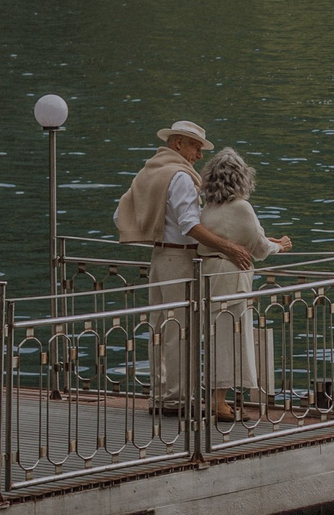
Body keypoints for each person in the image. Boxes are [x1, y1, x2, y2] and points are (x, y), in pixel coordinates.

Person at [112, 120, 259, 407]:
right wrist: (231, 248)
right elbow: (190, 225)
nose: (199, 155)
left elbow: (120, 216)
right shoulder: (180, 177)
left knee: (159, 328)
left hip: (158, 258)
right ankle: (176, 399)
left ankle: (160, 394)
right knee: (180, 331)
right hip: (180, 260)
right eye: (195, 146)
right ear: (178, 143)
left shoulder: (148, 172)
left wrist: (156, 231)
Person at [196, 148, 291, 414]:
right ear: (241, 178)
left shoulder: (209, 208)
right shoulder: (241, 207)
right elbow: (258, 247)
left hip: (210, 275)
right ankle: (217, 402)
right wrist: (280, 246)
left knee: (216, 338)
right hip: (230, 279)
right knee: (230, 339)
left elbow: (239, 237)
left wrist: (266, 241)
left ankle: (216, 399)